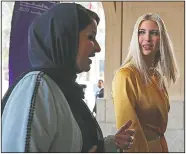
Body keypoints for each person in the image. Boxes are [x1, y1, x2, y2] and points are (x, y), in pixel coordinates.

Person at [2, 3, 135, 152]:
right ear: (65, 38)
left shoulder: (64, 89)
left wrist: (111, 143)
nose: (98, 48)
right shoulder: (37, 87)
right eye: (90, 37)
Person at [112, 13, 179, 152]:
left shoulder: (157, 77)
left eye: (154, 33)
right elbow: (130, 133)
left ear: (161, 40)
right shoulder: (126, 75)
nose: (147, 38)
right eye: (141, 32)